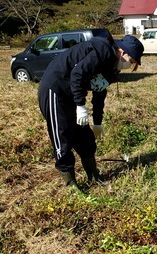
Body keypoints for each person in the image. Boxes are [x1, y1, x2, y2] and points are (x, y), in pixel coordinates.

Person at [38, 31, 144, 191]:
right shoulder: (103, 51)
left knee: (84, 137)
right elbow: (77, 74)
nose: (130, 65)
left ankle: (93, 174)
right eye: (132, 60)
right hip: (55, 89)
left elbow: (99, 92)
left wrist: (97, 122)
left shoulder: (112, 67)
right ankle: (71, 184)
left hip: (71, 93)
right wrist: (80, 106)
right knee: (63, 135)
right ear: (123, 52)